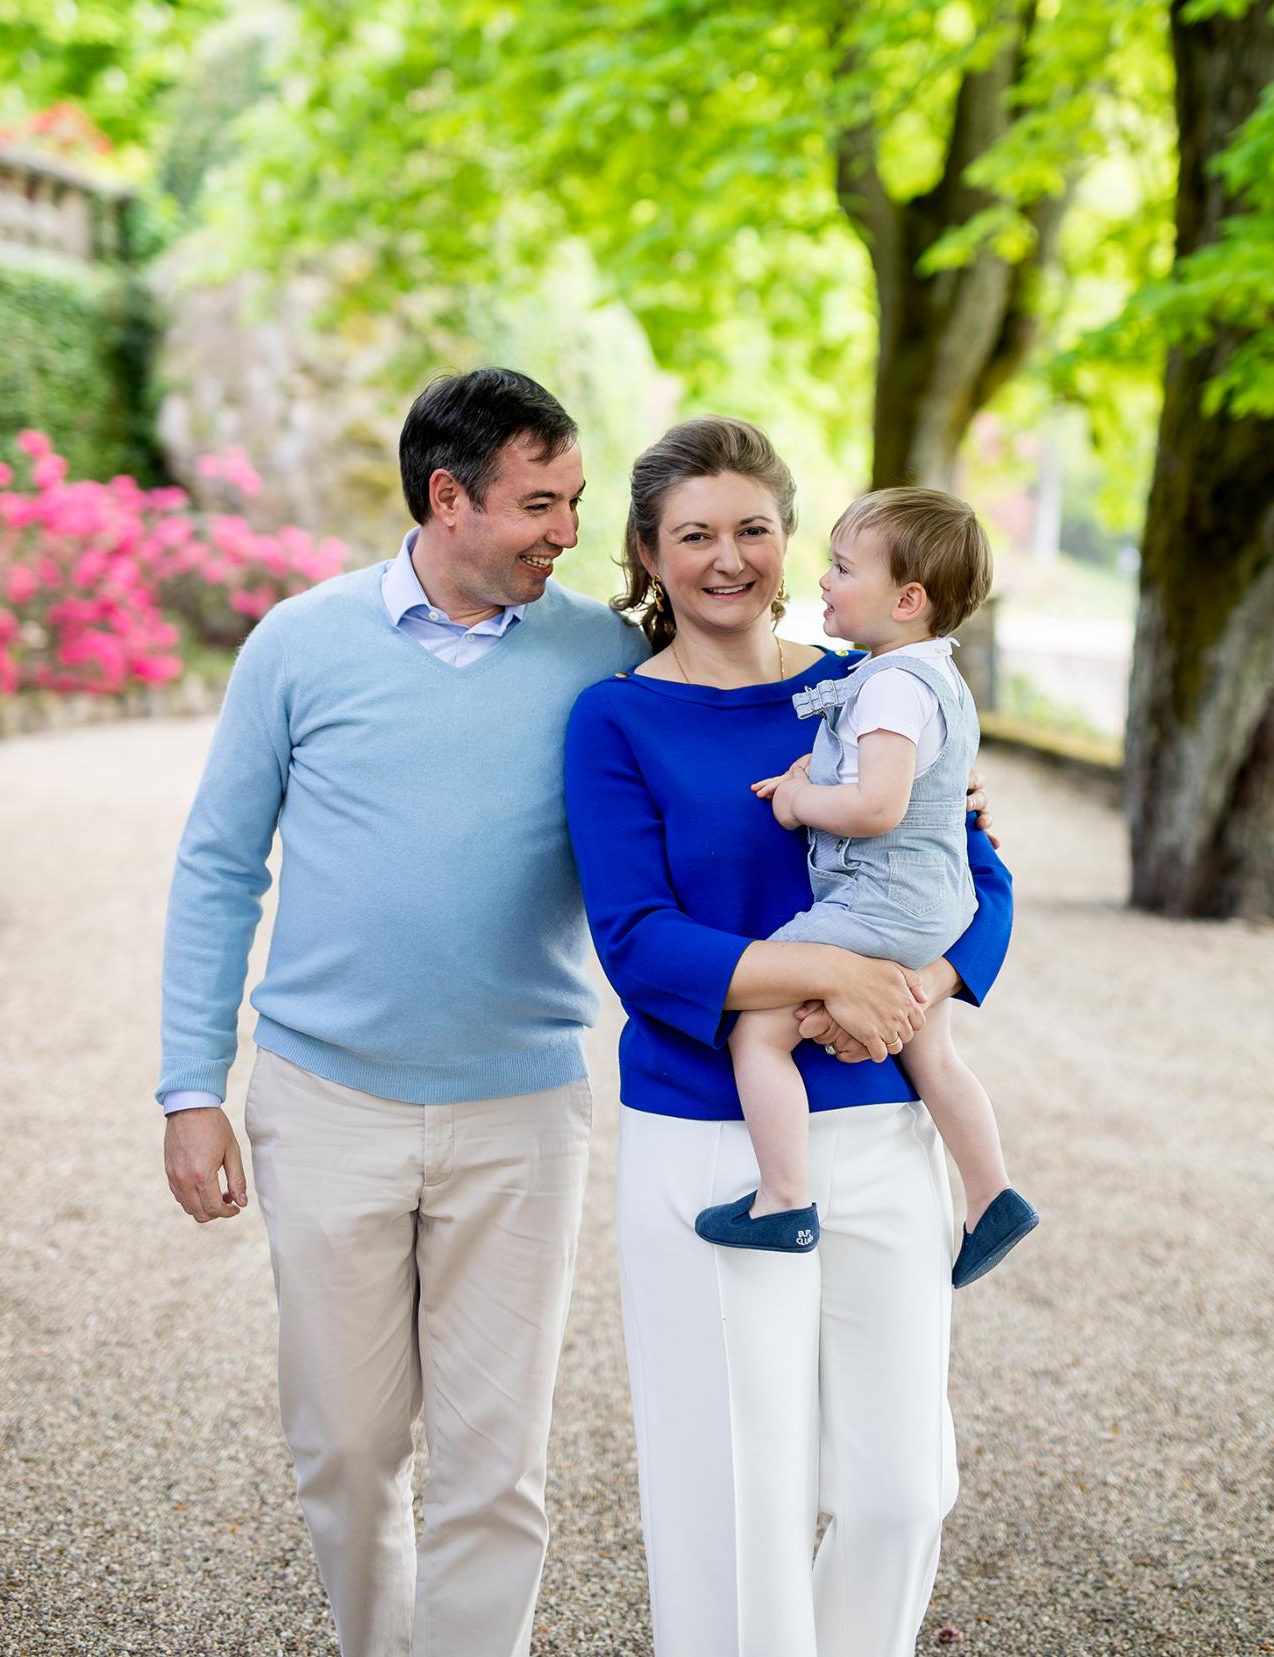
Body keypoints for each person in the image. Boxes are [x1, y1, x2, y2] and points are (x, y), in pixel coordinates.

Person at [157, 368, 649, 1657]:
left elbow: (733, 740)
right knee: (347, 1448)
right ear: (446, 498)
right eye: (540, 504)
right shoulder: (298, 643)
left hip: (521, 1111)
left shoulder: (603, 652)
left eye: (576, 503)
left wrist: (912, 771)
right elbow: (219, 864)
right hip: (325, 1104)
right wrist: (188, 1087)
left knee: (499, 1463)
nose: (566, 531)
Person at [564, 416, 1013, 1657]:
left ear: (788, 538)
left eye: (753, 528)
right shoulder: (612, 721)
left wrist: (914, 989)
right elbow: (638, 941)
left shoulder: (876, 686)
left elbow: (981, 877)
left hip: (878, 1125)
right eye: (693, 534)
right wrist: (833, 974)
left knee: (899, 1490)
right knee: (733, 1510)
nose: (728, 558)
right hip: (712, 1139)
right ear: (648, 554)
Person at [696, 486, 1037, 1288]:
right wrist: (814, 767)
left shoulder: (889, 685)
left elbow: (877, 805)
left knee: (759, 1030)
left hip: (882, 899)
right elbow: (894, 774)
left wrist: (796, 800)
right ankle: (992, 1194)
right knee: (935, 1054)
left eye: (844, 568)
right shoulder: (926, 675)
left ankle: (783, 1197)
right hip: (933, 901)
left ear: (907, 598)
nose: (823, 579)